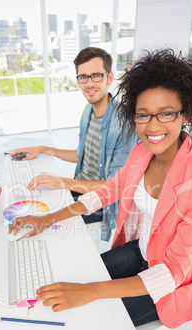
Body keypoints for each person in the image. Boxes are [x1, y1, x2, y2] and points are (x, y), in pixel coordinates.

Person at [9, 49, 192, 328]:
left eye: (166, 114)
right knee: (60, 294)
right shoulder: (142, 152)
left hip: (170, 284)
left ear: (186, 115)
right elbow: (107, 192)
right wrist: (48, 218)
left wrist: (91, 291)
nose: (152, 126)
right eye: (143, 115)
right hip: (140, 251)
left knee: (87, 318)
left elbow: (173, 271)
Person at [11, 47, 136, 241]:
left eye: (96, 76)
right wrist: (45, 149)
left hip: (100, 203)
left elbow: (113, 186)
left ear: (109, 78)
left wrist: (62, 182)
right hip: (78, 188)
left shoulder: (124, 124)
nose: (89, 83)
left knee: (43, 232)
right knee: (29, 203)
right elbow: (81, 154)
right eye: (83, 77)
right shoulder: (88, 111)